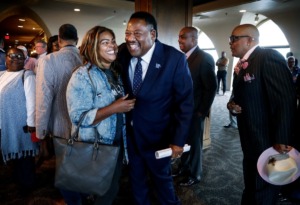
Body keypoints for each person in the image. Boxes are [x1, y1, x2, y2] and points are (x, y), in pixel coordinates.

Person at [117, 11, 193, 205]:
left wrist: (178, 140)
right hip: (131, 137)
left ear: (153, 34)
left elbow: (185, 103)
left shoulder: (174, 59)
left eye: (137, 33)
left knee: (163, 183)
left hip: (159, 138)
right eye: (127, 33)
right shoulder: (122, 53)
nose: (130, 39)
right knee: (136, 182)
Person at [227, 24, 296, 205]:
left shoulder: (268, 57)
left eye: (234, 38)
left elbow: (285, 99)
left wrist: (283, 138)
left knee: (264, 185)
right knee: (252, 180)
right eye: (230, 39)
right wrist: (232, 105)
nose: (230, 43)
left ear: (250, 40)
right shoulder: (241, 65)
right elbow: (239, 95)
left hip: (268, 139)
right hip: (250, 136)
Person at [66, 25, 135, 205]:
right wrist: (115, 108)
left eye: (112, 41)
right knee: (102, 194)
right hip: (96, 148)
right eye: (105, 42)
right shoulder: (82, 76)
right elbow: (79, 118)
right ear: (92, 47)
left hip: (117, 144)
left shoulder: (114, 72)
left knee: (110, 190)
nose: (112, 45)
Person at [35, 24, 82, 205]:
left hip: (61, 124)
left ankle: (74, 201)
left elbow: (43, 98)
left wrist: (41, 130)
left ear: (59, 40)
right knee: (82, 164)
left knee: (64, 168)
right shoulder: (86, 58)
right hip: (87, 124)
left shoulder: (48, 60)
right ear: (76, 40)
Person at [173, 26, 217, 187]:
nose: (179, 40)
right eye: (179, 37)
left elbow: (211, 87)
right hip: (181, 112)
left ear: (194, 39)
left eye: (183, 37)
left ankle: (194, 174)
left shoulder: (204, 58)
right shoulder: (181, 57)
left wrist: (201, 112)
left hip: (195, 112)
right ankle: (183, 168)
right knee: (183, 142)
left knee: (195, 145)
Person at [0, 48, 38, 196]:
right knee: (15, 157)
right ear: (5, 59)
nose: (15, 58)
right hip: (5, 123)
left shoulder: (27, 75)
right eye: (12, 56)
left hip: (21, 125)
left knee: (24, 157)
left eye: (20, 56)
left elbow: (32, 102)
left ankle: (27, 186)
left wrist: (31, 124)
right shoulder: (2, 74)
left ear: (25, 60)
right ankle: (17, 180)